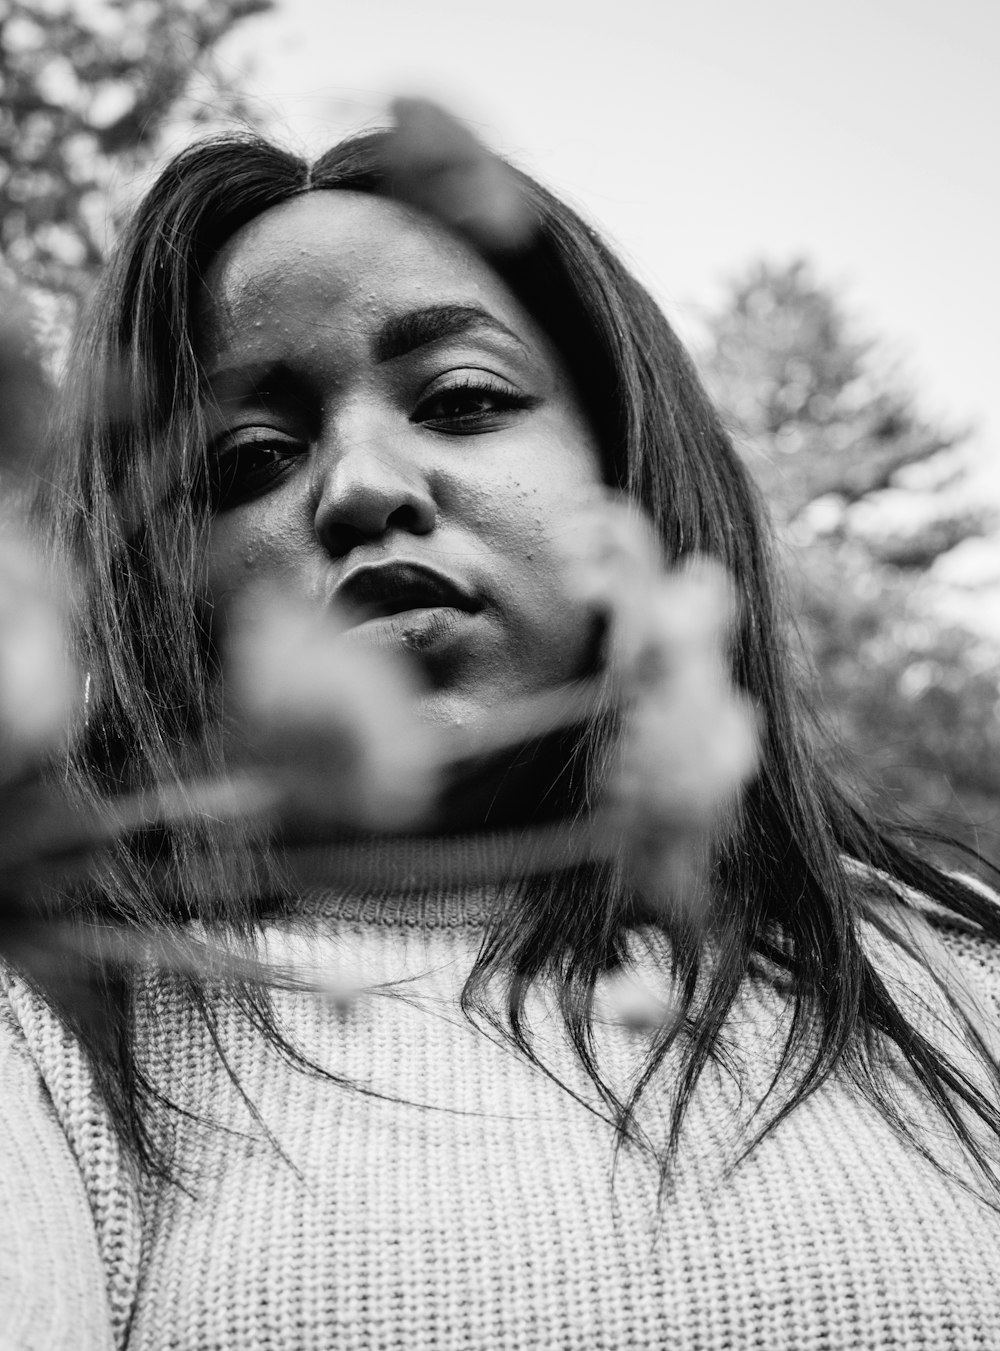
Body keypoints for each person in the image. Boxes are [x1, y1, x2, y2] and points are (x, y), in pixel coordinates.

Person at [2, 109, 1000, 1350]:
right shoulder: (55, 1014)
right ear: (162, 592)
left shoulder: (955, 973)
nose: (364, 485)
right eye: (250, 454)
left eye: (465, 397)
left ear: (628, 462)